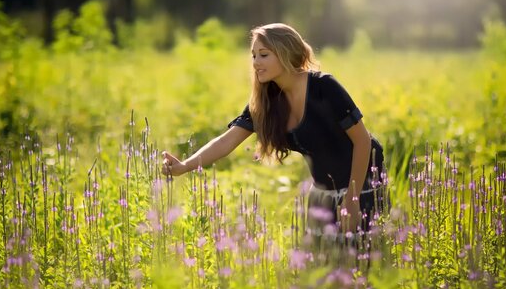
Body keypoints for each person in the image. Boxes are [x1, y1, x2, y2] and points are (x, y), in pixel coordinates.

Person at [162, 23, 385, 237]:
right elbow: (226, 142)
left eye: (264, 54)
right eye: (253, 55)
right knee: (323, 268)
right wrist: (184, 166)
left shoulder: (324, 88)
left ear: (285, 53)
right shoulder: (266, 101)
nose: (256, 62)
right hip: (322, 193)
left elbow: (363, 141)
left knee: (362, 265)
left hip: (362, 185)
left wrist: (353, 199)